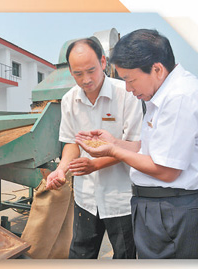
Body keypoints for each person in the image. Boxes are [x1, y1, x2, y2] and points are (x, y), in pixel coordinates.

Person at [76, 29, 198, 259]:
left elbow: (166, 170)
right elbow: (149, 150)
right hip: (161, 209)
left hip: (175, 212)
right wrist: (115, 141)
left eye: (130, 79)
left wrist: (114, 150)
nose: (128, 88)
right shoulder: (161, 96)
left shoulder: (180, 98)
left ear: (157, 69)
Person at [46, 38, 143, 259]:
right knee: (80, 253)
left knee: (125, 255)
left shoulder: (126, 93)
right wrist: (62, 169)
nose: (86, 79)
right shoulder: (70, 99)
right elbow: (71, 142)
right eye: (78, 74)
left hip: (120, 195)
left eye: (91, 70)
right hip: (86, 196)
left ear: (102, 61)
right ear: (70, 71)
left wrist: (95, 164)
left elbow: (134, 146)